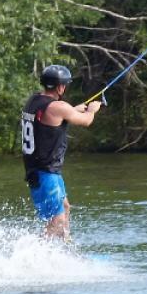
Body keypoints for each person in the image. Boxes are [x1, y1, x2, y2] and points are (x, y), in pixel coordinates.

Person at [21, 64, 102, 239]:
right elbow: (86, 121)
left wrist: (74, 109)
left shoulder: (33, 100)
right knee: (57, 221)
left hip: (42, 170)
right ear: (60, 87)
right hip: (45, 173)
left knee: (65, 207)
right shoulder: (58, 107)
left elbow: (54, 116)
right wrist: (92, 110)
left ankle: (65, 249)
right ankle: (35, 251)